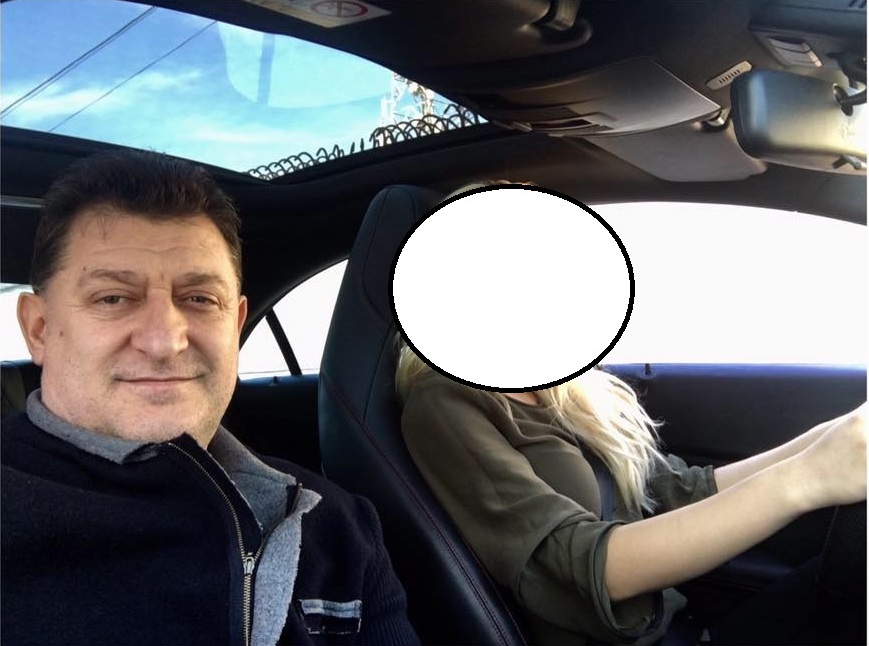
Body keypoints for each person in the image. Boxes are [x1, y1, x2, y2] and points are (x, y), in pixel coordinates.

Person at [394, 184, 866, 646]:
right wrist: (806, 478)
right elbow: (594, 571)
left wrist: (828, 438)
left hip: (685, 627)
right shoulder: (445, 405)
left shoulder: (569, 391)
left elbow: (676, 491)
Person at [1, 149, 420, 646]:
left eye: (200, 299)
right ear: (39, 329)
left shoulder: (335, 523)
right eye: (113, 298)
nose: (165, 340)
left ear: (235, 324)